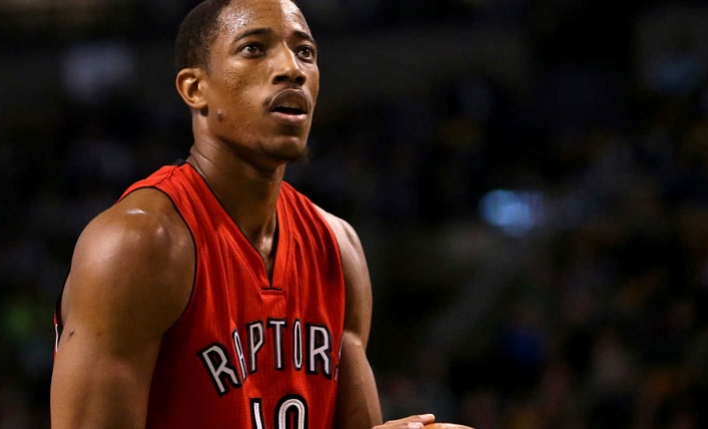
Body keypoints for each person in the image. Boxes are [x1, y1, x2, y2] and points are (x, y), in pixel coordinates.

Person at [50, 0, 472, 428]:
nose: (292, 69)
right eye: (254, 48)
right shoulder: (138, 244)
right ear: (195, 89)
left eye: (305, 52)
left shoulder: (338, 247)